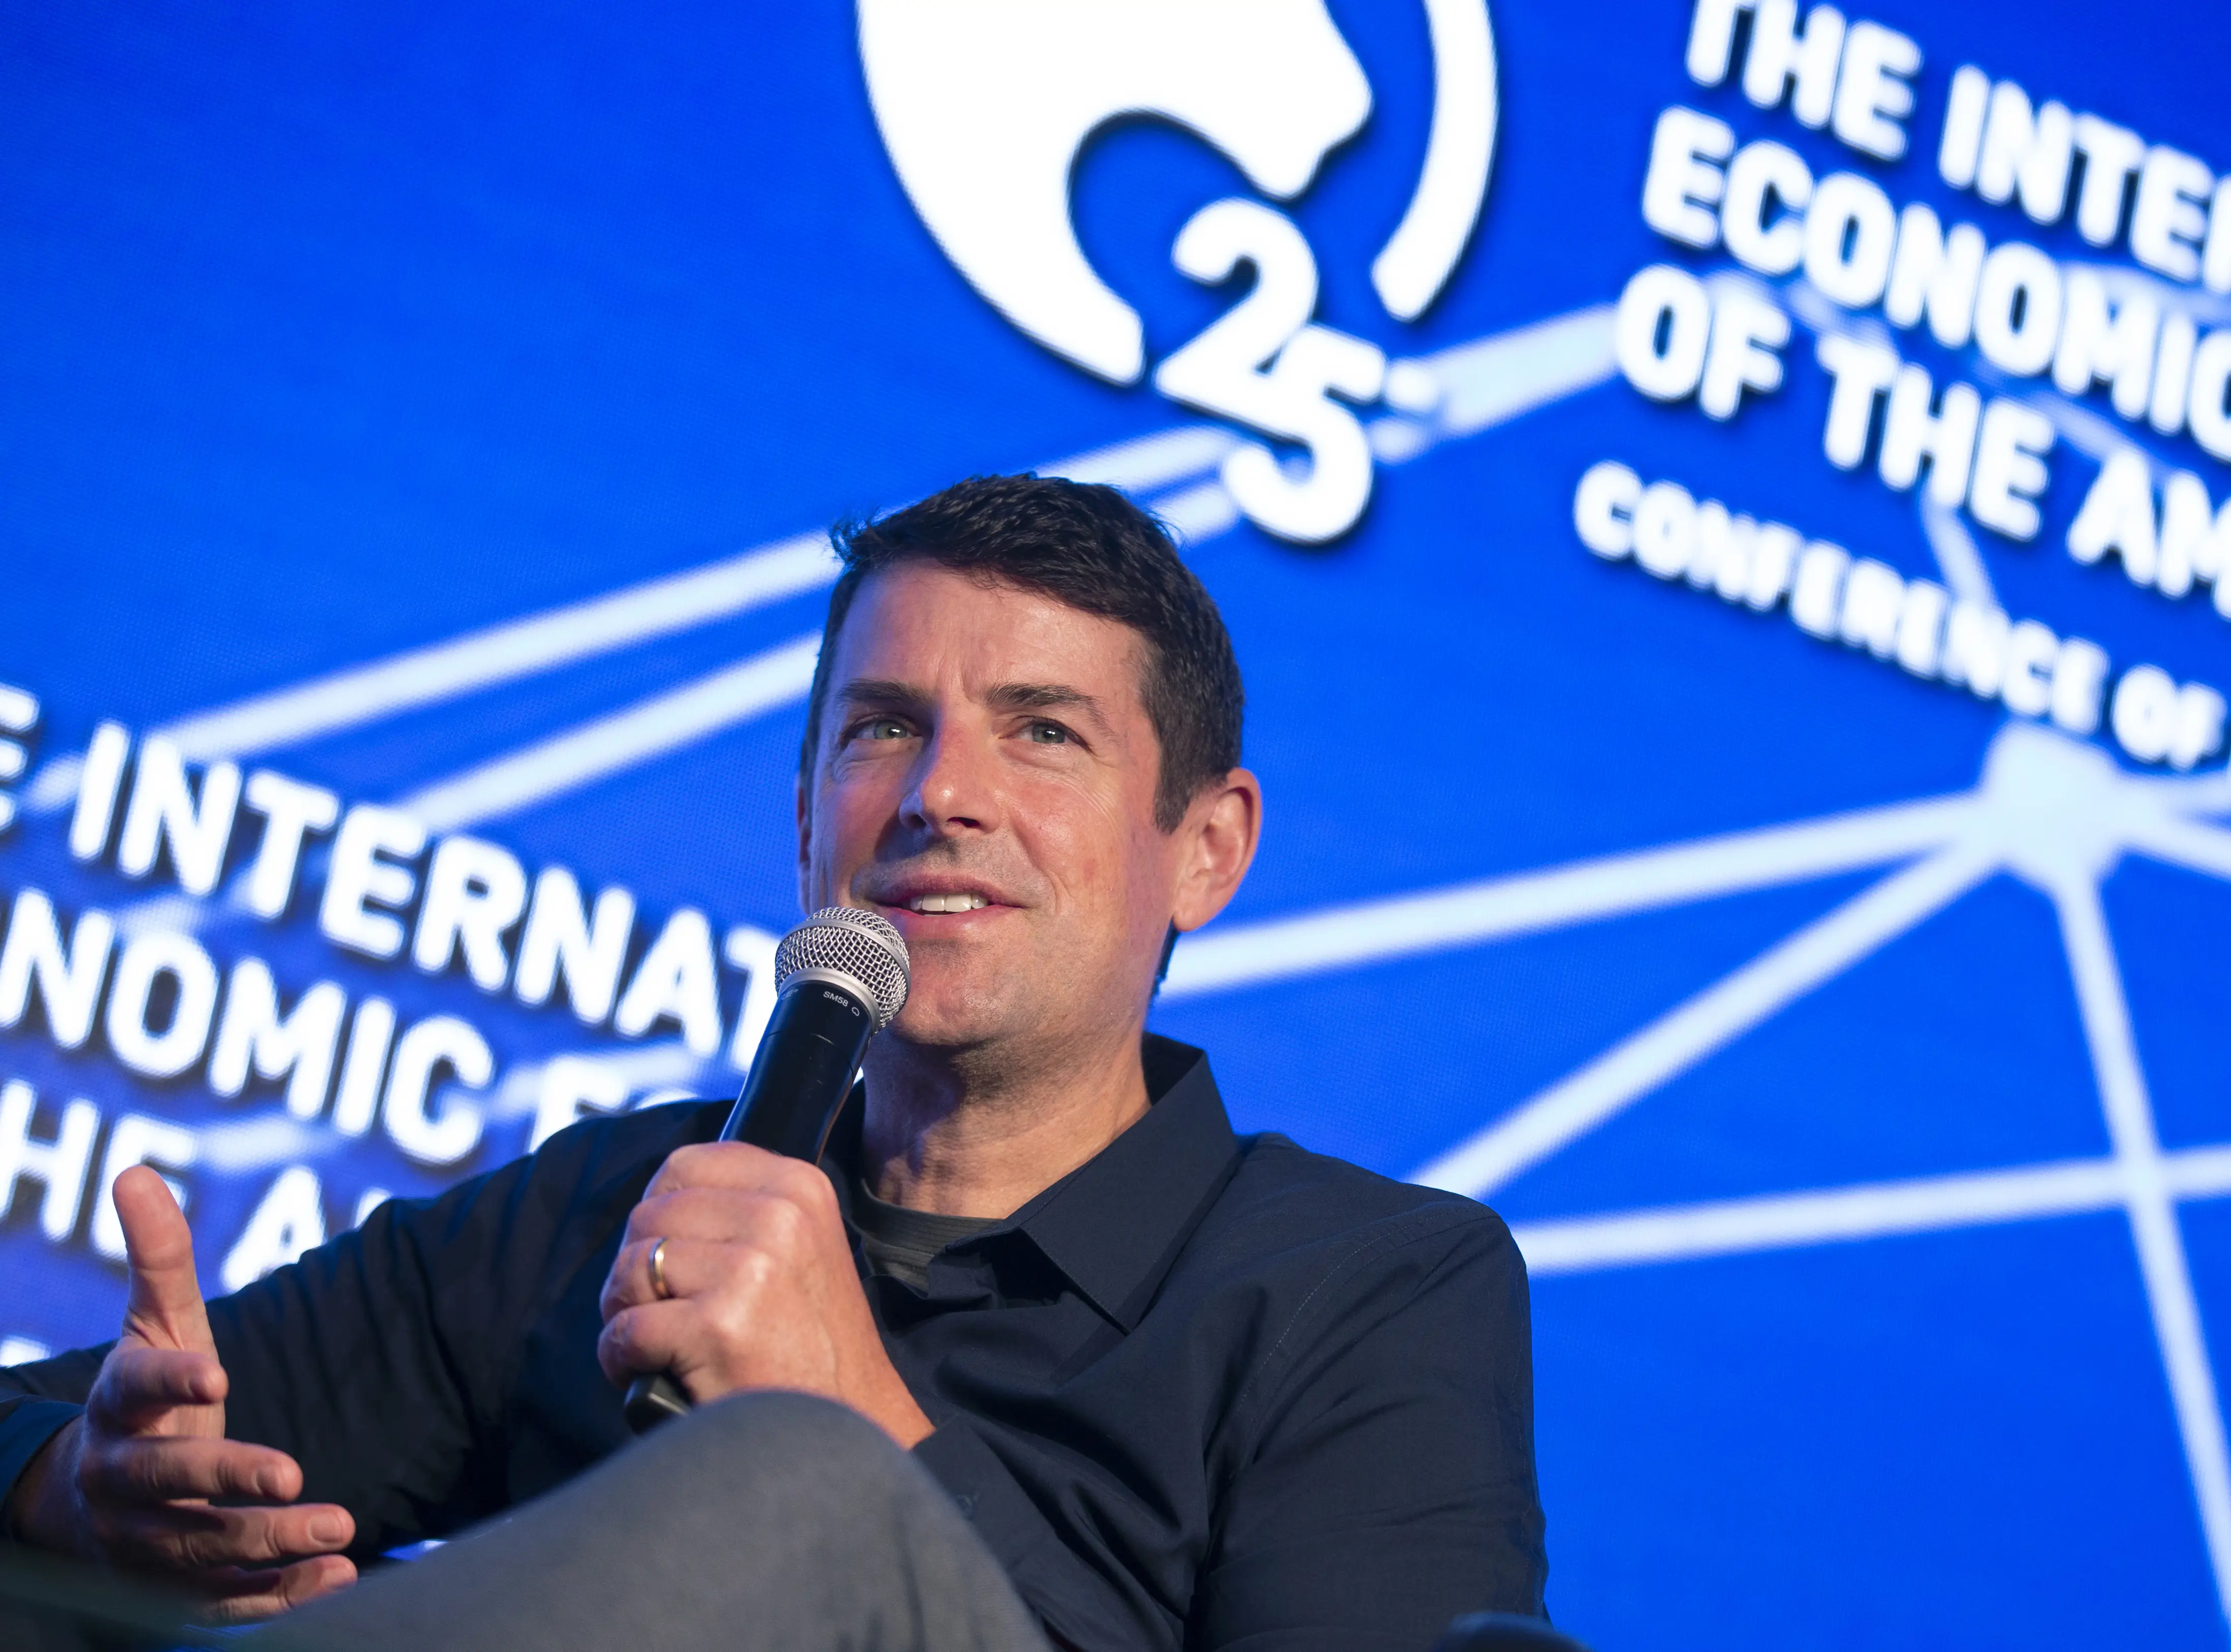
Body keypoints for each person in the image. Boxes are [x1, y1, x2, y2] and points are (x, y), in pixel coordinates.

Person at [0, 475, 1548, 1650]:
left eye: (1044, 732)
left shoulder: (1376, 1289)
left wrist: (855, 1411)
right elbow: (94, 1449)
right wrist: (74, 1491)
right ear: (804, 814)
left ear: (1205, 850)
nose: (943, 792)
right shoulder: (621, 1197)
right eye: (882, 728)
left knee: (790, 1485)